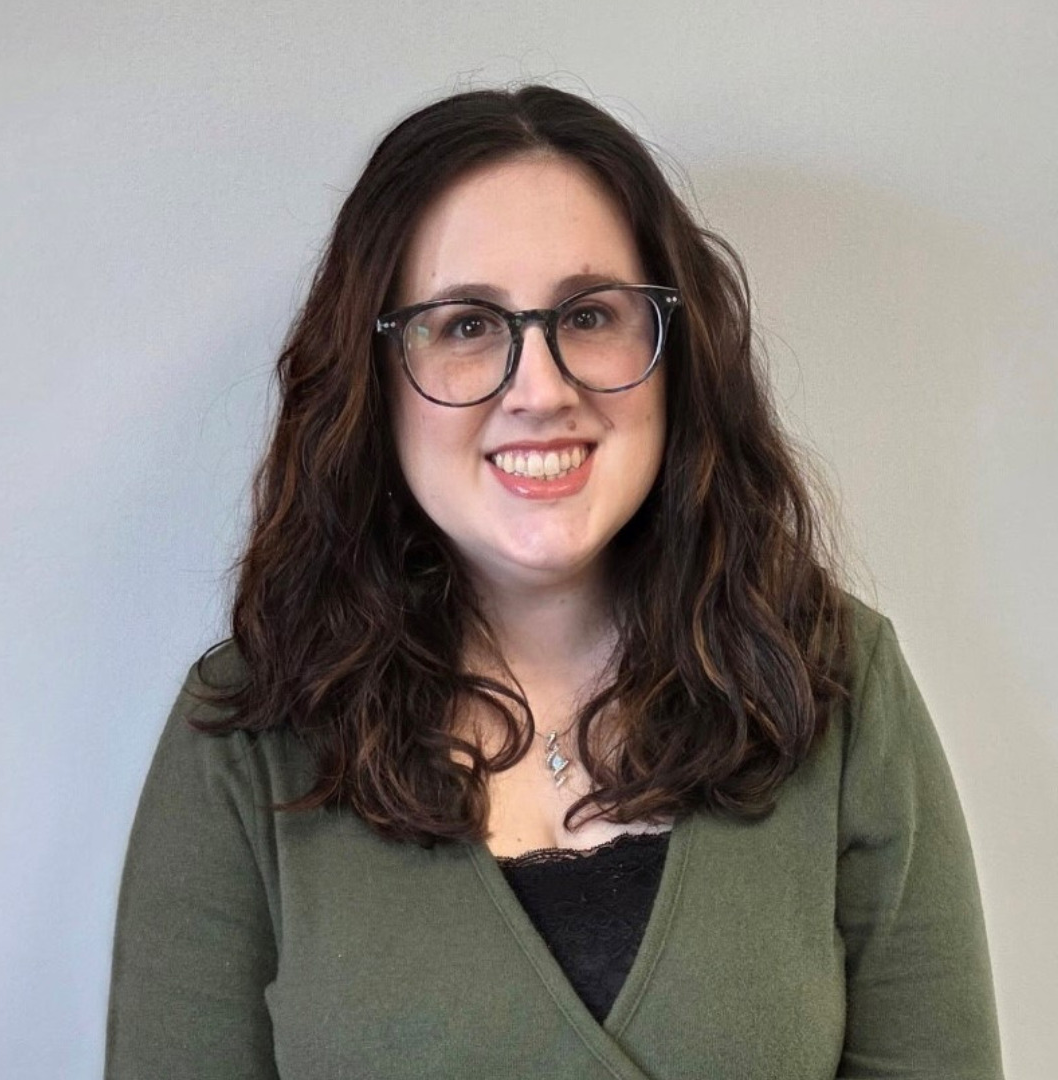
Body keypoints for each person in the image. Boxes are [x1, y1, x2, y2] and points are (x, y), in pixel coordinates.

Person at [105, 86, 1003, 1079]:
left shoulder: (832, 683)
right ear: (374, 376)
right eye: (465, 325)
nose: (540, 389)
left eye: (588, 315)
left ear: (675, 356)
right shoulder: (249, 735)